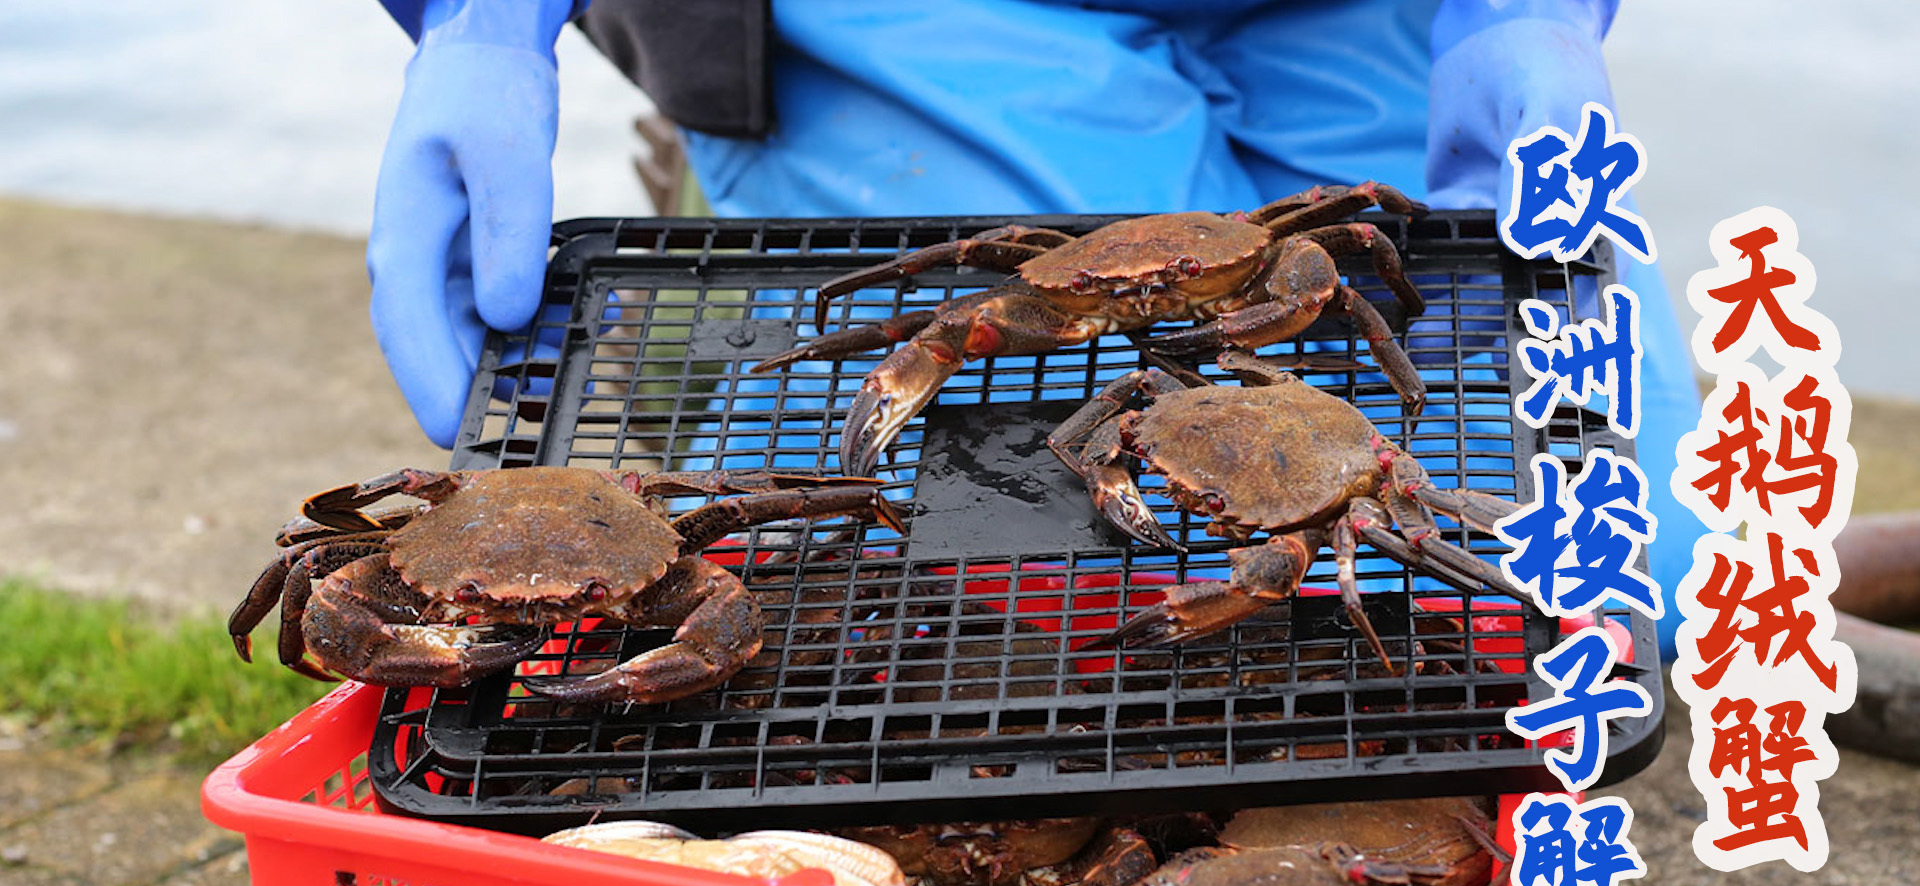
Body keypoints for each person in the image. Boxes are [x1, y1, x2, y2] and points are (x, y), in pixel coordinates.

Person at [364, 0, 1704, 657]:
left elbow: (1349, 275)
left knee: (1632, 546)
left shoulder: (1313, 248)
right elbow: (993, 320)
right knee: (1018, 552)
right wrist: (485, 20)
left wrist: (1521, 15)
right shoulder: (1036, 299)